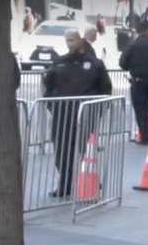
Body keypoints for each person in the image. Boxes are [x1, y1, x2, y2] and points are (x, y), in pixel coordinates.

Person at [40, 30, 111, 199]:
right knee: (61, 152)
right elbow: (48, 87)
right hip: (62, 115)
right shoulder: (59, 62)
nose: (69, 43)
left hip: (86, 115)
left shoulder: (95, 63)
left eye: (72, 40)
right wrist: (53, 106)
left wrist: (97, 111)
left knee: (86, 152)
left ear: (80, 40)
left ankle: (90, 180)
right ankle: (64, 185)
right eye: (67, 41)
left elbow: (106, 89)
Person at [118, 20, 148, 143]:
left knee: (141, 111)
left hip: (138, 81)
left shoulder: (132, 45)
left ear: (137, 31)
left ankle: (146, 137)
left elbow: (122, 63)